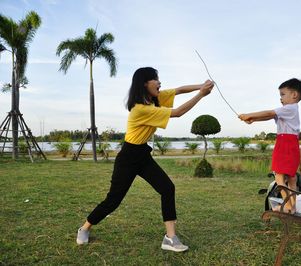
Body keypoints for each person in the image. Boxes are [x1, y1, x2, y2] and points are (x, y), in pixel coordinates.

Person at [76, 67, 214, 252]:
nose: (159, 82)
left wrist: (201, 86)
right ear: (144, 84)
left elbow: (179, 90)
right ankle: (84, 228)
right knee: (113, 200)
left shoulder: (155, 99)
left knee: (167, 188)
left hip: (142, 154)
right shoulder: (140, 109)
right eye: (155, 79)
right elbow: (178, 112)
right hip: (128, 157)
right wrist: (201, 95)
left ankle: (170, 238)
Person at [239, 78, 301, 213]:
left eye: (282, 94)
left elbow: (270, 113)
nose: (280, 98)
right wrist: (253, 119)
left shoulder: (290, 108)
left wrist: (248, 115)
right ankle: (292, 206)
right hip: (289, 144)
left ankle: (287, 206)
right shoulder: (288, 110)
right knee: (291, 177)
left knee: (279, 177)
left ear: (294, 95)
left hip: (285, 144)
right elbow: (269, 116)